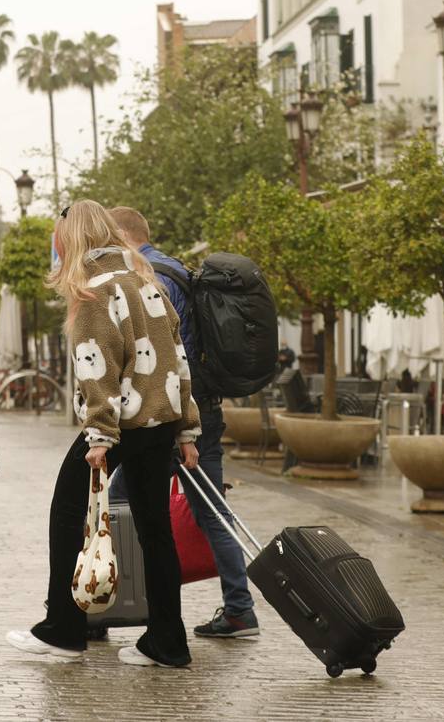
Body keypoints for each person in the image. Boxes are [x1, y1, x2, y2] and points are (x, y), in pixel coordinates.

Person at [6, 200, 200, 668]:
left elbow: (99, 369)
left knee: (68, 509)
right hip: (160, 422)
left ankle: (63, 628)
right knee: (156, 530)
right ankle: (168, 641)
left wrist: (99, 437)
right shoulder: (145, 282)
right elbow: (177, 358)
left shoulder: (94, 292)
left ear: (72, 239)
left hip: (118, 424)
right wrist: (188, 428)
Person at [110, 205, 260, 640]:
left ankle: (108, 603)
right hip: (203, 408)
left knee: (119, 503)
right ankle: (240, 608)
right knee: (212, 511)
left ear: (123, 235)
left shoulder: (147, 278)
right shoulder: (180, 270)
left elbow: (156, 357)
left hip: (170, 412)